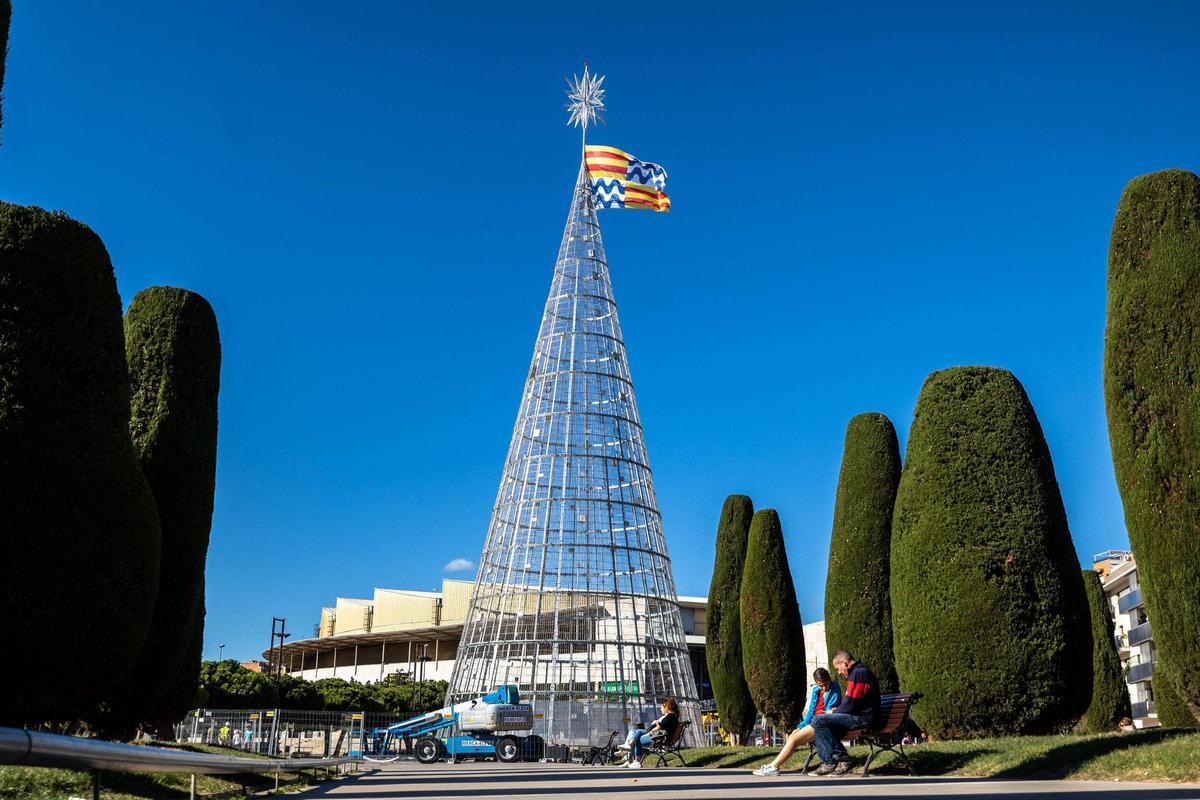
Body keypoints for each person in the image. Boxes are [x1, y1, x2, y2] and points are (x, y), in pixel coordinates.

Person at [753, 667, 842, 776]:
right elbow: (810, 712)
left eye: (825, 684)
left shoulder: (835, 688)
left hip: (823, 723)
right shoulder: (816, 690)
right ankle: (773, 765)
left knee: (794, 739)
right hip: (814, 721)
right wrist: (801, 726)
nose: (823, 688)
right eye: (820, 685)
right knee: (793, 734)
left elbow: (830, 709)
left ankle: (774, 767)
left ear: (829, 679)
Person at [808, 650, 881, 776]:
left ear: (844, 662)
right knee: (820, 723)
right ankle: (830, 761)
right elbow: (850, 703)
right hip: (859, 715)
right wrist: (835, 712)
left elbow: (851, 703)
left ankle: (838, 761)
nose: (839, 672)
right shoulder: (857, 673)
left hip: (865, 718)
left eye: (838, 668)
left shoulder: (859, 673)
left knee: (819, 721)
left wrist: (833, 714)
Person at [617, 698, 679, 769]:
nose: (661, 709)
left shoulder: (670, 716)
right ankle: (629, 750)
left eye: (662, 707)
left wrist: (650, 731)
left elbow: (660, 727)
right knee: (637, 732)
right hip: (658, 736)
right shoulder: (671, 716)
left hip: (658, 737)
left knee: (638, 736)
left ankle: (635, 759)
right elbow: (662, 726)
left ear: (667, 707)